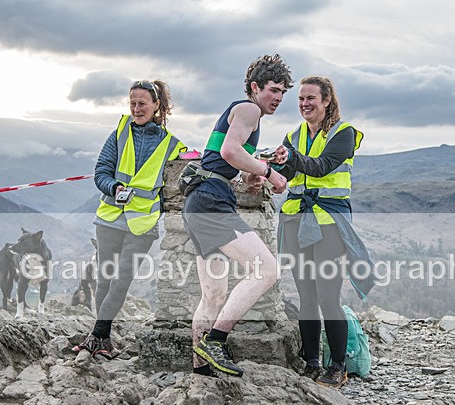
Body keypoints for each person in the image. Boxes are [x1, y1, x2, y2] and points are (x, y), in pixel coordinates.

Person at [183, 54, 293, 377]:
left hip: (198, 203)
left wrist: (249, 177)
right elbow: (231, 151)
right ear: (255, 87)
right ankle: (216, 340)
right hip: (211, 203)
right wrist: (270, 172)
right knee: (268, 269)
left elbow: (221, 159)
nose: (278, 98)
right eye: (273, 90)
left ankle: (201, 369)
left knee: (213, 295)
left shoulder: (239, 113)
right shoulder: (249, 110)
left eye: (283, 93)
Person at [74, 80, 186, 359]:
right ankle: (103, 337)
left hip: (143, 224)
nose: (136, 109)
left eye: (142, 104)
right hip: (110, 217)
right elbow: (101, 171)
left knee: (122, 280)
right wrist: (114, 187)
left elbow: (192, 167)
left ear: (157, 105)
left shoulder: (173, 145)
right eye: (132, 103)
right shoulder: (119, 133)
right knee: (104, 279)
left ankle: (96, 337)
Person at [275, 75, 374, 389]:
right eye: (301, 99)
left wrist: (291, 157)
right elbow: (288, 173)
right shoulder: (293, 135)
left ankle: (338, 366)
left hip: (329, 223)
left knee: (328, 296)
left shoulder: (344, 134)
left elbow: (321, 166)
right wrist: (274, 164)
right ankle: (311, 362)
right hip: (295, 220)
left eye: (311, 98)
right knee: (306, 296)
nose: (305, 104)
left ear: (327, 100)